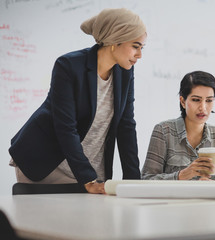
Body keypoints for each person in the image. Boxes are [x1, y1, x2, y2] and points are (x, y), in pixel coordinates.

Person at [8, 8, 147, 194]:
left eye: (142, 48)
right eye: (136, 46)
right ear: (115, 40)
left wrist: (134, 185)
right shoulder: (68, 66)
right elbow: (65, 127)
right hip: (47, 164)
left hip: (90, 170)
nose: (139, 55)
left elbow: (126, 126)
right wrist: (88, 179)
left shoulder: (125, 72)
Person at [142, 71, 215, 181]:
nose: (203, 108)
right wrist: (180, 176)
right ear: (183, 101)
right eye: (196, 100)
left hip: (209, 198)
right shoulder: (164, 131)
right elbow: (147, 179)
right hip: (174, 198)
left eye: (209, 100)